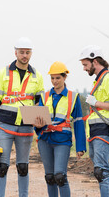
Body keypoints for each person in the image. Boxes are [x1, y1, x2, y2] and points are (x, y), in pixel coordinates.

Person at [0, 37, 45, 197]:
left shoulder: (37, 76)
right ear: (15, 53)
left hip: (26, 126)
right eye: (21, 52)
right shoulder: (3, 73)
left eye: (27, 52)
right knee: (2, 166)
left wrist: (40, 123)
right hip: (4, 126)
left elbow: (40, 104)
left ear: (31, 54)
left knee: (23, 167)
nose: (24, 55)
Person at [79, 45, 109, 197]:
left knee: (101, 171)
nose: (85, 69)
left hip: (103, 129)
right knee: (99, 171)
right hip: (94, 130)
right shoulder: (99, 80)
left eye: (86, 65)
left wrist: (96, 103)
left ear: (95, 61)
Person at [34, 61, 86, 197]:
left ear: (64, 78)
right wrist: (37, 126)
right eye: (52, 78)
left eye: (58, 78)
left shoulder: (73, 97)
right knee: (50, 177)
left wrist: (81, 147)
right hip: (44, 140)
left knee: (60, 176)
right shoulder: (44, 97)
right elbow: (38, 120)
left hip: (62, 141)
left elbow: (79, 122)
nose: (54, 81)